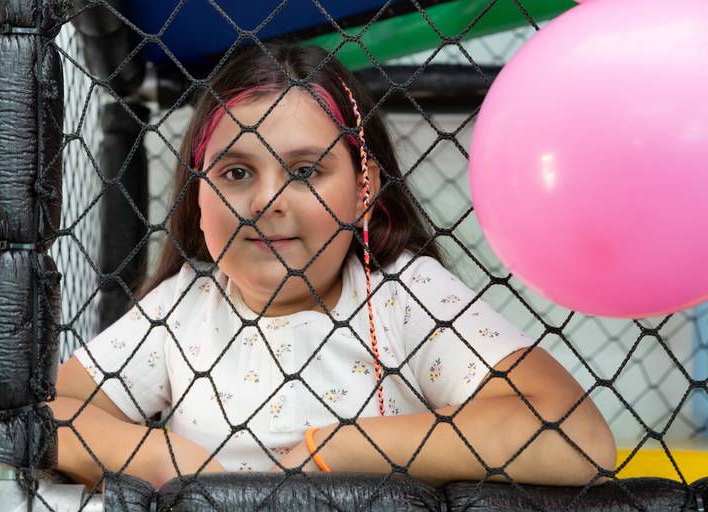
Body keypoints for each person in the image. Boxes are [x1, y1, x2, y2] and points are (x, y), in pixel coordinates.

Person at [53, 41, 616, 490]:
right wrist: (160, 458)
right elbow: (45, 414)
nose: (267, 201)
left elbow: (575, 434)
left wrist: (340, 448)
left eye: (304, 172)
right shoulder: (185, 306)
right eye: (236, 173)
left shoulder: (401, 295)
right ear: (197, 196)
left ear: (363, 192)